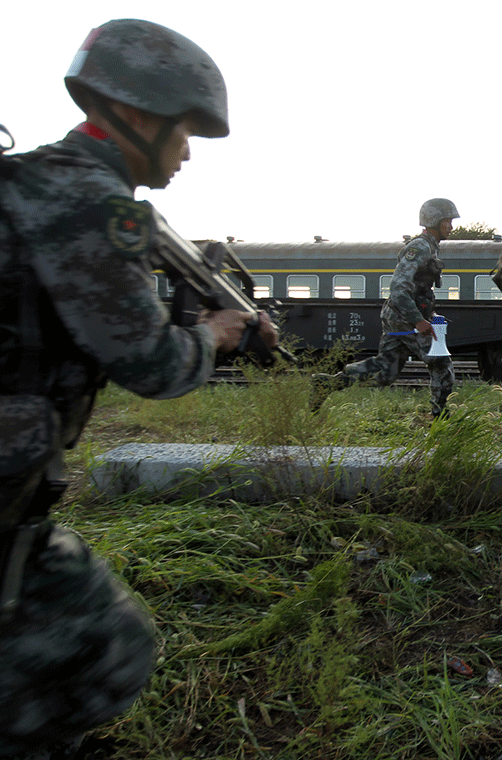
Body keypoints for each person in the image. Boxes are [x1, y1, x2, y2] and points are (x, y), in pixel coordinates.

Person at [0, 19, 278, 760]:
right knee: (108, 651)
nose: (187, 151)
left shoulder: (37, 182)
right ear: (143, 115)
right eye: (185, 130)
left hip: (14, 506)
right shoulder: (96, 205)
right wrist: (217, 334)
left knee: (99, 649)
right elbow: (151, 366)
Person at [311, 199, 459, 418]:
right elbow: (399, 288)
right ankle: (441, 418)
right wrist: (418, 320)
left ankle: (327, 384)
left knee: (384, 371)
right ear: (434, 221)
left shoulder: (430, 246)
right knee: (440, 363)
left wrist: (430, 315)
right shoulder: (419, 247)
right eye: (447, 221)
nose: (451, 226)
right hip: (405, 318)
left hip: (400, 315)